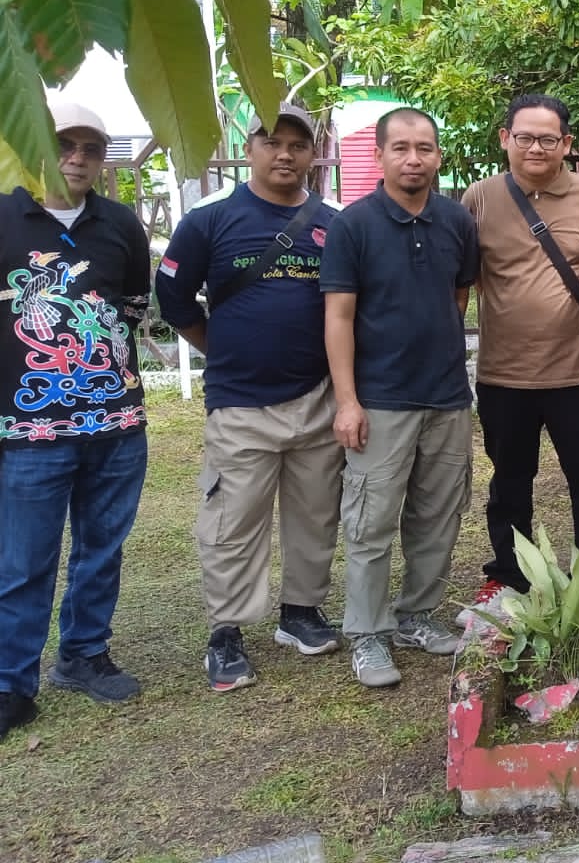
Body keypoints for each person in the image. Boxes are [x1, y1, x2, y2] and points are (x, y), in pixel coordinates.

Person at [155, 102, 344, 692]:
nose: (284, 154)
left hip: (318, 398)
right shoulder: (209, 220)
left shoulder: (334, 223)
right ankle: (227, 632)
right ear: (250, 148)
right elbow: (175, 299)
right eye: (271, 142)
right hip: (239, 402)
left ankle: (301, 611)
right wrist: (223, 349)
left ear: (312, 154)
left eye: (297, 144)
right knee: (232, 520)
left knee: (316, 512)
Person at [0, 98, 150, 740]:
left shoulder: (121, 224)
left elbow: (134, 307)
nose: (78, 158)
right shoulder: (4, 215)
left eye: (91, 148)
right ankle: (11, 683)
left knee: (100, 549)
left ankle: (84, 655)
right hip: (29, 429)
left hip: (115, 424)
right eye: (65, 144)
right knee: (23, 561)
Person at [321, 107, 479, 687]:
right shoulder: (353, 225)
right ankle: (368, 634)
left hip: (447, 398)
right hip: (380, 400)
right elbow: (339, 317)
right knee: (370, 521)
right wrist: (347, 401)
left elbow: (458, 297)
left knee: (438, 516)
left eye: (425, 148)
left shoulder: (456, 221)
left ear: (438, 155)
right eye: (401, 148)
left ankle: (417, 615)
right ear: (379, 156)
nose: (414, 159)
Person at [457, 94, 579, 626]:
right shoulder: (479, 199)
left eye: (548, 139)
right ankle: (508, 578)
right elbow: (461, 281)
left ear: (566, 144)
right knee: (509, 482)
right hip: (504, 375)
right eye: (524, 137)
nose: (535, 148)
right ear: (505, 138)